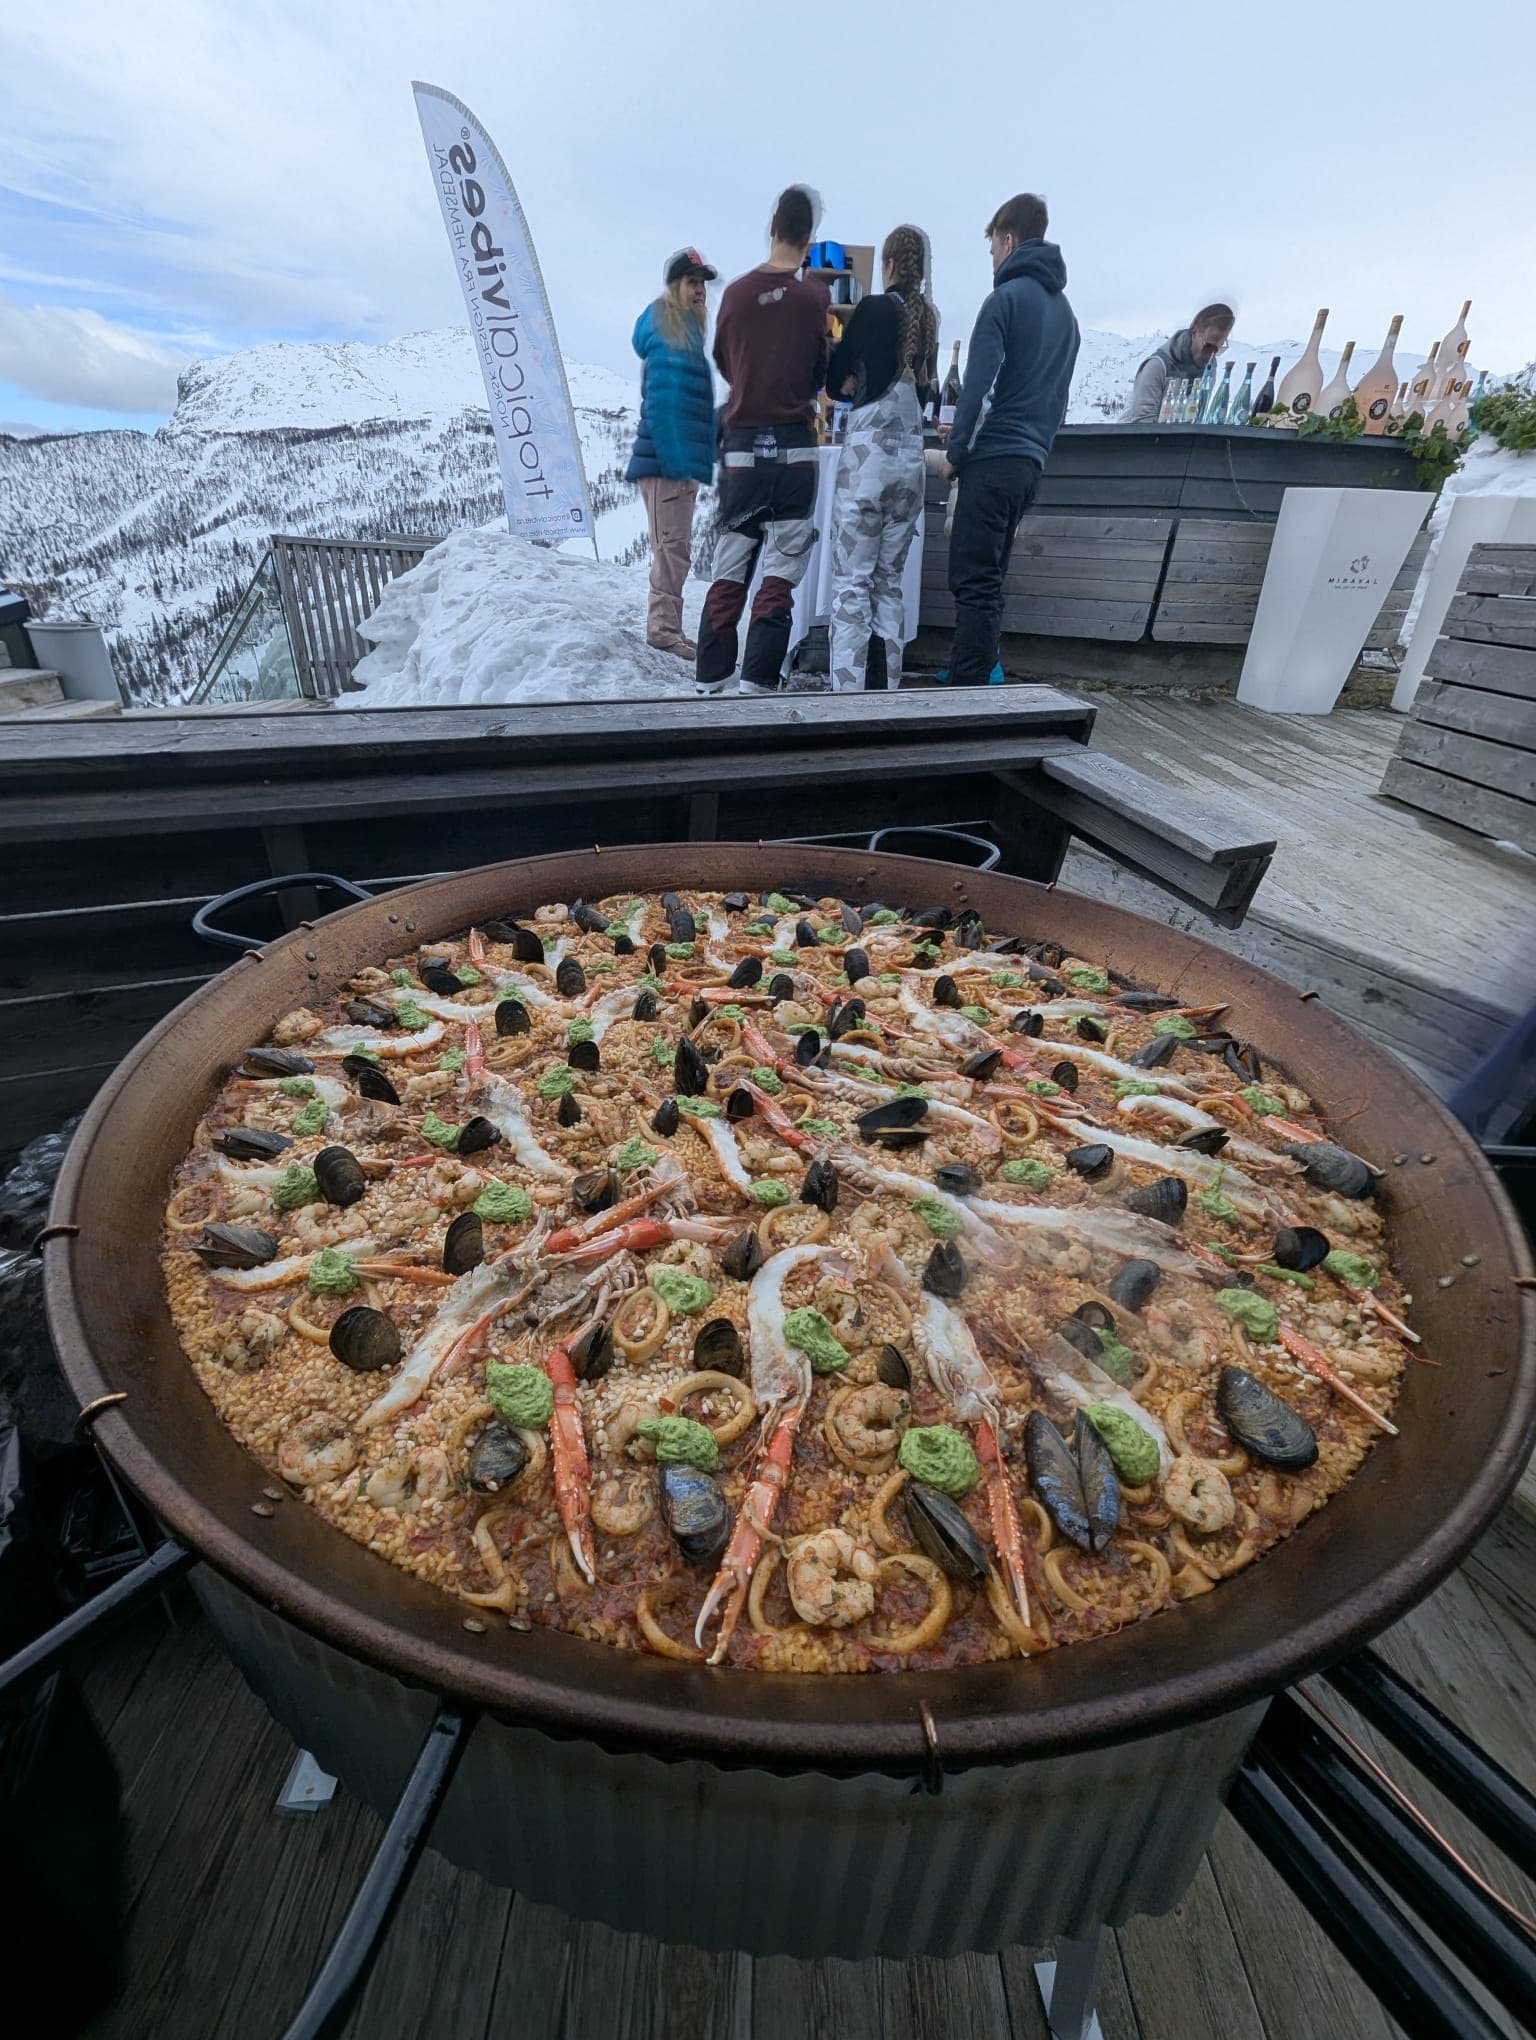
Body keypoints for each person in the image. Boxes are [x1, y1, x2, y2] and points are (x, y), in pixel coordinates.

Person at [695, 184, 830, 697]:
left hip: (744, 451)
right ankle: (757, 683)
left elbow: (724, 361)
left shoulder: (735, 295)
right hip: (796, 450)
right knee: (780, 572)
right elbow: (822, 371)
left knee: (731, 565)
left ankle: (711, 679)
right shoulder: (815, 298)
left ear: (772, 225)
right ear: (809, 236)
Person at [942, 193, 1079, 689]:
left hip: (993, 458)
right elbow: (1057, 402)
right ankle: (971, 668)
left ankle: (966, 692)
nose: (994, 261)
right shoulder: (1067, 316)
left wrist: (956, 454)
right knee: (992, 577)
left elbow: (977, 389)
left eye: (993, 250)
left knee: (970, 579)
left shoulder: (1002, 301)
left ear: (1007, 239)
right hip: (1029, 465)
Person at [822, 225, 939, 692]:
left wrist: (849, 383)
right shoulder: (930, 319)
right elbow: (926, 390)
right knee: (889, 584)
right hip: (910, 470)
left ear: (888, 264)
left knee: (853, 584)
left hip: (867, 468)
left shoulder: (871, 310)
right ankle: (885, 693)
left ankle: (847, 700)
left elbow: (834, 380)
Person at [625, 248, 719, 659]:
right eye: (692, 283)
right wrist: (680, 459)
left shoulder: (681, 332)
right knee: (672, 548)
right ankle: (663, 630)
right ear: (675, 287)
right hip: (668, 463)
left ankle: (669, 626)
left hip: (673, 460)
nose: (700, 291)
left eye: (702, 284)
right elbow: (662, 405)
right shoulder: (670, 334)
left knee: (673, 547)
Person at [1121, 305, 1235, 423]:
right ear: (1195, 332)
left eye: (1218, 349)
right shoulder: (1157, 366)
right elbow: (1142, 424)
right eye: (1208, 346)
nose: (1211, 354)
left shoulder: (1210, 368)